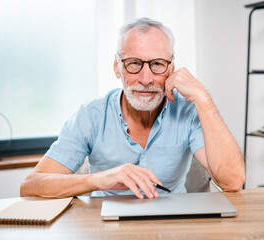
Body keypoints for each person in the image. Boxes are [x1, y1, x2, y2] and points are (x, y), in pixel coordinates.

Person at [20, 17, 245, 199]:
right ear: (117, 67)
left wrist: (203, 98)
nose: (146, 78)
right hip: (105, 228)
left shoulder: (188, 111)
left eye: (157, 64)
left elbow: (233, 182)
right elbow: (31, 185)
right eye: (134, 64)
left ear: (172, 68)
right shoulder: (91, 116)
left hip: (175, 225)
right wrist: (99, 179)